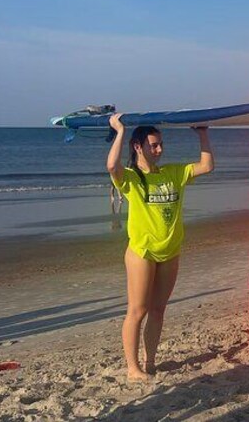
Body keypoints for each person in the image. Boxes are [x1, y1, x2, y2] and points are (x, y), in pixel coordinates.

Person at [107, 115, 214, 382]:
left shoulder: (174, 173)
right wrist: (120, 131)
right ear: (138, 147)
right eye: (153, 145)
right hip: (142, 252)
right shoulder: (131, 178)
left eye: (161, 144)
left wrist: (202, 133)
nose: (159, 150)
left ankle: (150, 361)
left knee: (158, 310)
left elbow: (207, 166)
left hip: (170, 251)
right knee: (138, 310)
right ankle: (132, 368)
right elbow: (111, 165)